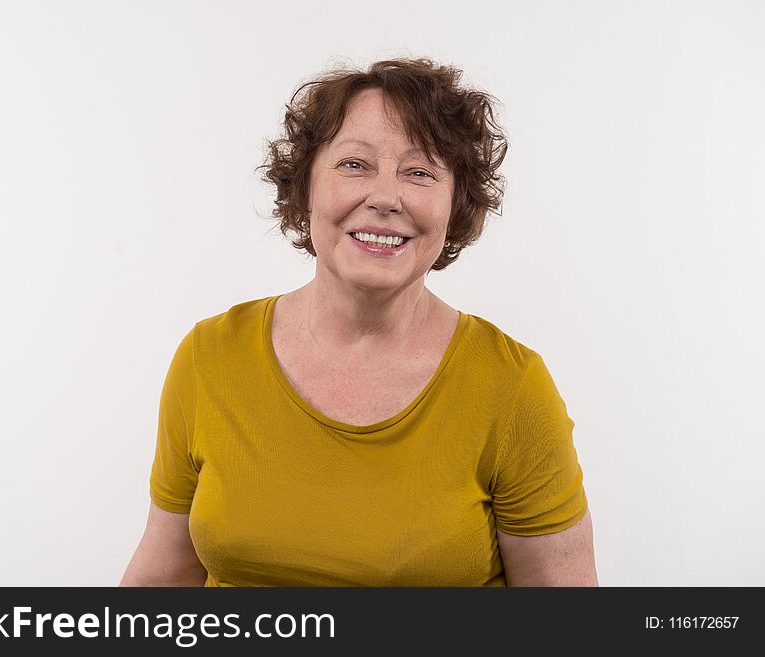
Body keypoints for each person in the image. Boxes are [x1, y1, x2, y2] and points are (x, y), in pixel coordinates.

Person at [120, 57, 598, 587]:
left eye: (420, 173)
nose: (385, 197)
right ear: (304, 189)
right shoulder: (210, 356)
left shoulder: (512, 388)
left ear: (455, 206)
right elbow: (161, 581)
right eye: (354, 164)